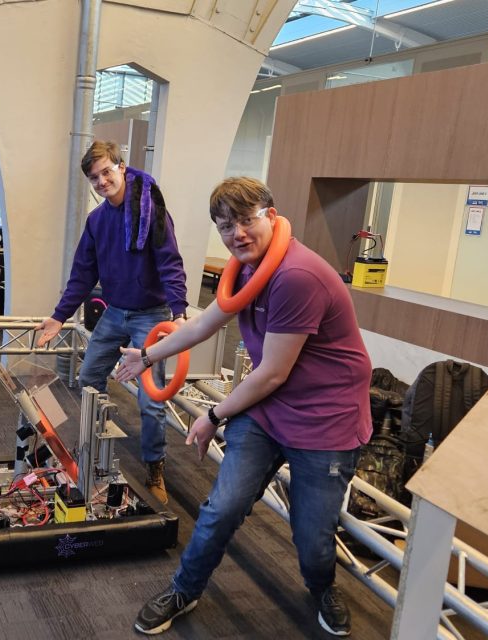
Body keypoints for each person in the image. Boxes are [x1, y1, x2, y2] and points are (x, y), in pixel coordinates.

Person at [116, 177, 372, 637]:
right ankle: (184, 589)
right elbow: (205, 325)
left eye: (247, 220)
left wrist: (212, 416)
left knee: (312, 540)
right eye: (225, 226)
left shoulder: (297, 276)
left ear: (271, 216)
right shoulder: (246, 269)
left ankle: (322, 587)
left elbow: (272, 372)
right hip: (269, 409)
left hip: (324, 421)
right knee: (221, 508)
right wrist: (148, 356)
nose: (238, 234)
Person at [34, 140, 188, 503]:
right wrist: (59, 316)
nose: (102, 181)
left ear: (121, 166)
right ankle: (95, 445)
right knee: (88, 377)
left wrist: (180, 314)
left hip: (151, 314)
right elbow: (82, 274)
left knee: (151, 398)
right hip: (116, 310)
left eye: (106, 171)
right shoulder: (97, 221)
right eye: (94, 177)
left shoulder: (153, 211)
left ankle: (154, 465)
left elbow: (171, 264)